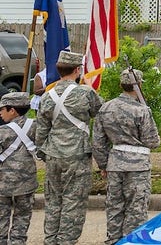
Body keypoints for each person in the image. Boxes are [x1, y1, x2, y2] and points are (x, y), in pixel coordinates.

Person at [36, 50, 102, 245]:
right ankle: (66, 241)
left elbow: (41, 131)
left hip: (53, 154)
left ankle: (50, 240)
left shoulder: (47, 96)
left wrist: (44, 153)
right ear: (77, 70)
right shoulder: (86, 93)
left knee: (53, 201)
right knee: (74, 201)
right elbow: (101, 113)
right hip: (77, 155)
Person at [92, 68, 161, 245]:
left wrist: (103, 164)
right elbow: (152, 141)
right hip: (138, 166)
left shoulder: (106, 108)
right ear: (137, 86)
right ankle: (132, 241)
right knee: (136, 209)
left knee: (114, 207)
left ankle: (114, 240)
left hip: (114, 164)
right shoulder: (142, 110)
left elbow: (98, 142)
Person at [0, 92, 38, 245]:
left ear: (12, 110)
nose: (0, 113)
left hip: (3, 183)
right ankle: (18, 242)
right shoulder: (35, 126)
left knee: (1, 217)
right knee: (22, 217)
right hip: (27, 182)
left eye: (2, 109)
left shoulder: (2, 131)